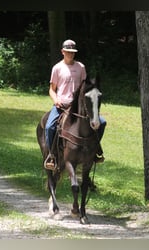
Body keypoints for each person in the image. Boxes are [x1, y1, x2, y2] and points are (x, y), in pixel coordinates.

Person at [44, 39, 106, 169]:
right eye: (68, 52)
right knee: (50, 126)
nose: (70, 54)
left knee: (102, 122)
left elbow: (86, 87)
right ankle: (52, 155)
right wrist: (56, 100)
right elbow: (51, 89)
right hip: (62, 105)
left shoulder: (81, 67)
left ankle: (95, 151)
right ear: (62, 52)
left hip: (78, 107)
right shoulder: (57, 68)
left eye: (72, 52)